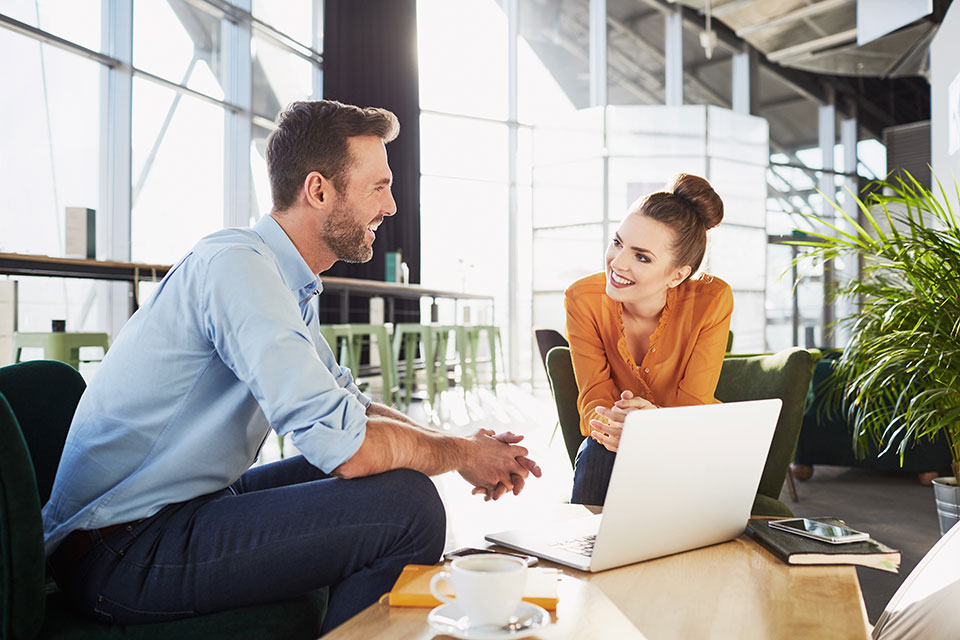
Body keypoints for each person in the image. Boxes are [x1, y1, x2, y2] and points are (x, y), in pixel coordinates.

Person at [41, 99, 541, 633]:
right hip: (121, 549)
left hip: (177, 512)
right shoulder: (238, 267)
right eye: (379, 186)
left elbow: (350, 407)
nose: (391, 206)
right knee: (407, 507)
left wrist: (459, 445)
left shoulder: (281, 279)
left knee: (400, 472)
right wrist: (461, 452)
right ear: (319, 190)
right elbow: (346, 448)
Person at [564, 173, 732, 506]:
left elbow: (694, 408)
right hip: (611, 446)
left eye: (641, 257)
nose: (618, 262)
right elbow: (594, 399)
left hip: (685, 440)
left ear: (677, 275)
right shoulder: (582, 298)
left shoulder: (711, 300)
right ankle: (587, 553)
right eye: (617, 242)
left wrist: (650, 426)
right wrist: (622, 427)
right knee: (599, 447)